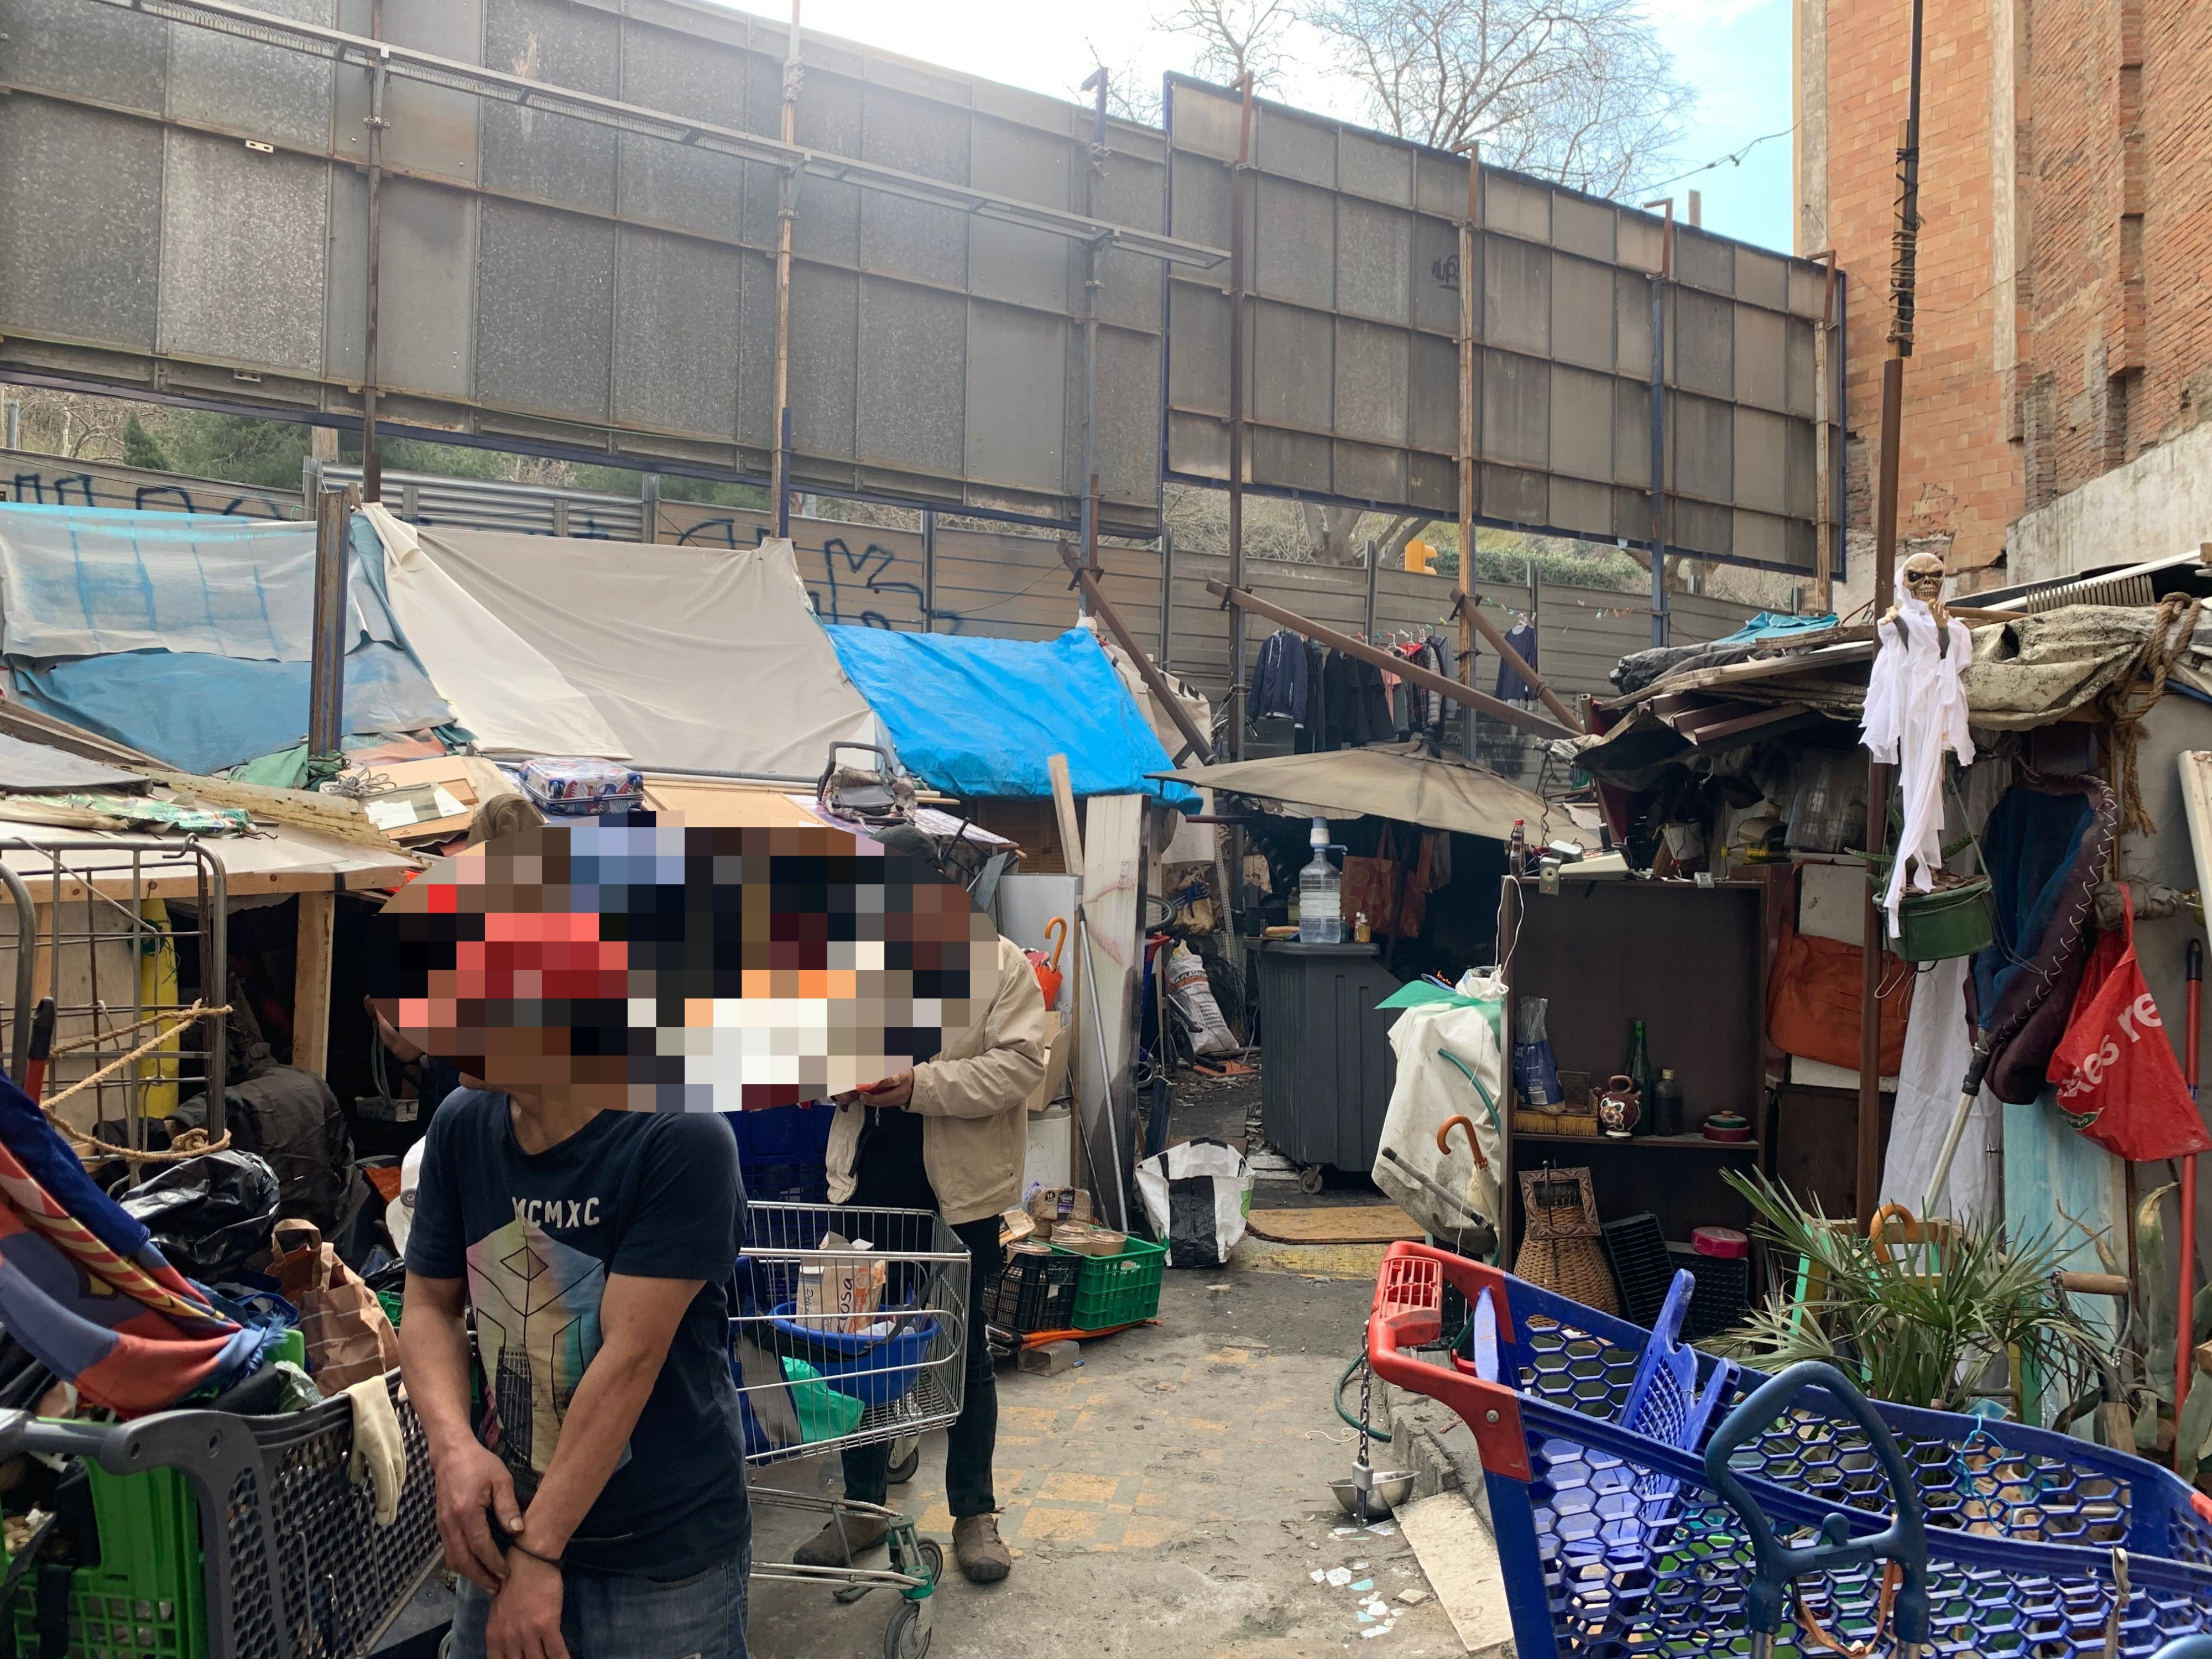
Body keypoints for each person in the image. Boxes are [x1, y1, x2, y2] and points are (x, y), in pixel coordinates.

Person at [400, 1084, 750, 1659]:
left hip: (658, 1555)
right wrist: (453, 1448)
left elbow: (629, 1359)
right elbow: (429, 1306)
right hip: (505, 1537)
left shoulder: (680, 1136)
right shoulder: (462, 1123)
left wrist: (540, 1553)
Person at [792, 919, 1048, 1584]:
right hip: (862, 1189)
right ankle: (862, 1509)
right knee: (855, 1350)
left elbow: (1021, 1067)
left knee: (963, 1357)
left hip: (958, 1196)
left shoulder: (998, 965)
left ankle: (975, 1514)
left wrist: (916, 1087)